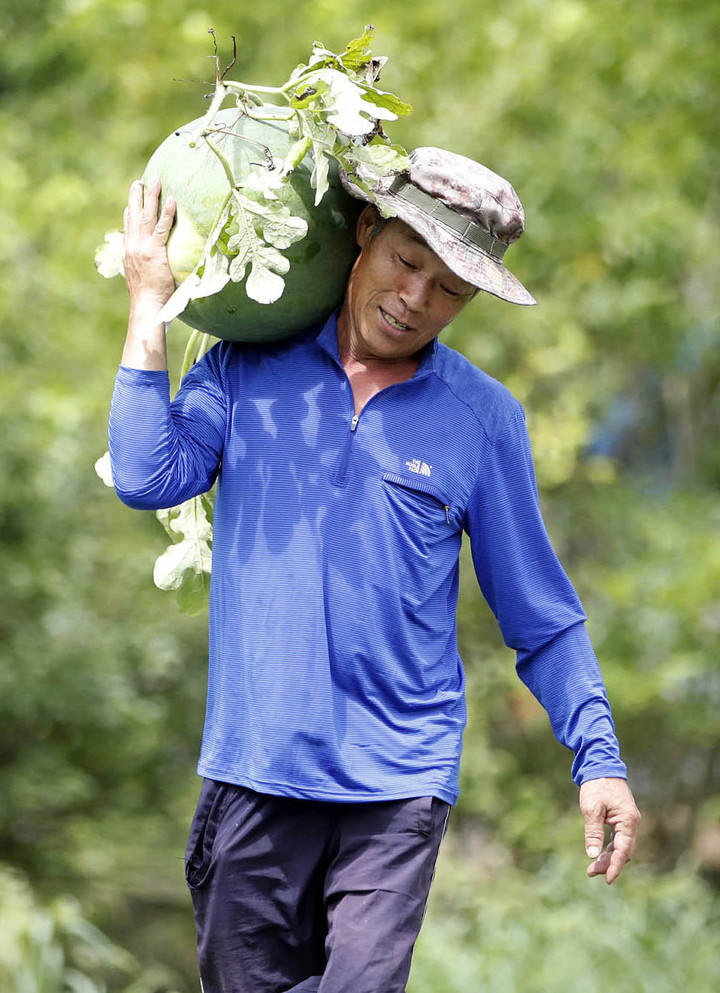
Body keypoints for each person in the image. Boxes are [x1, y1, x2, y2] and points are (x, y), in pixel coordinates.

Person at [109, 147, 641, 993]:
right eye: (406, 262)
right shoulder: (248, 366)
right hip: (257, 768)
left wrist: (599, 758)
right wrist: (148, 304)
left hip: (397, 783)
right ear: (365, 232)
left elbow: (542, 615)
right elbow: (146, 474)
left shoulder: (482, 419)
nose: (416, 299)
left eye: (450, 290)